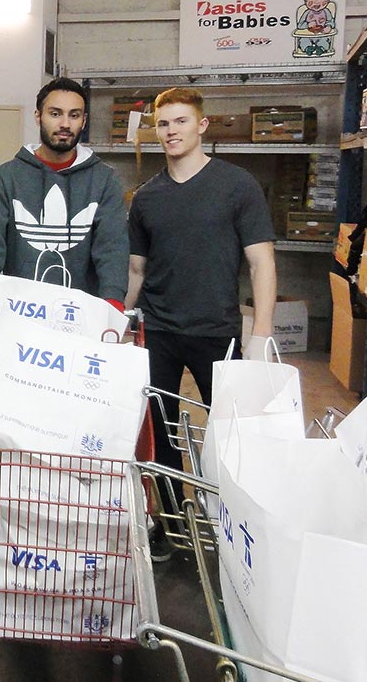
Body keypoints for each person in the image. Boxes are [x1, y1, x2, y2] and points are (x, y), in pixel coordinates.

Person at [125, 87, 277, 559]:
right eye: (163, 123)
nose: (171, 131)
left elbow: (262, 264)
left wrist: (262, 333)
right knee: (161, 436)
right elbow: (136, 271)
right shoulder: (146, 198)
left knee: (227, 437)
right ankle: (172, 529)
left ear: (202, 126)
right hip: (159, 332)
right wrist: (119, 325)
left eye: (181, 122)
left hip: (217, 333)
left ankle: (232, 528)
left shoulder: (237, 186)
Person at [0, 77, 128, 303]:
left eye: (74, 115)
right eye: (55, 113)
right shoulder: (6, 177)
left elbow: (112, 251)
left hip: (80, 318)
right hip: (17, 315)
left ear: (84, 121)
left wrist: (112, 304)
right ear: (38, 116)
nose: (65, 123)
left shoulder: (104, 180)